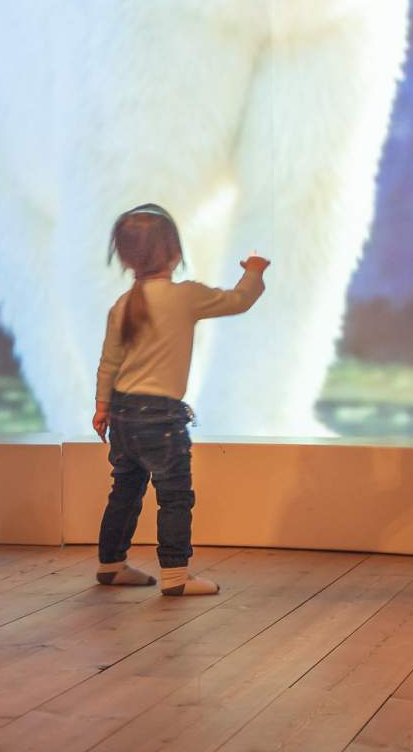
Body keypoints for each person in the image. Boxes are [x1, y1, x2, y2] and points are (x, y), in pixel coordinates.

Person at [91, 204, 268, 596]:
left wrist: (102, 407)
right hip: (161, 419)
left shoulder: (122, 305)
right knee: (174, 495)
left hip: (122, 414)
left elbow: (109, 363)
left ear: (123, 257)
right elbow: (240, 300)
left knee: (125, 489)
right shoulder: (185, 297)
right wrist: (254, 269)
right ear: (174, 252)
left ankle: (111, 563)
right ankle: (175, 575)